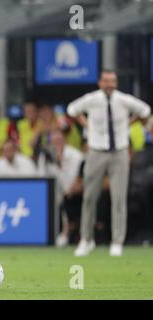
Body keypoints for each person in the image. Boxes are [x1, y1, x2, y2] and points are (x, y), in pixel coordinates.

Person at [67, 70, 151, 257]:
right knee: (89, 197)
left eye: (113, 81)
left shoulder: (124, 100)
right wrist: (86, 123)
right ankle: (86, 240)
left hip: (119, 152)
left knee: (119, 198)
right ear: (99, 82)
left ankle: (117, 241)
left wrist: (130, 122)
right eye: (106, 81)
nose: (110, 84)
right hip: (96, 151)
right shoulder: (91, 99)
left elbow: (144, 110)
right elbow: (72, 109)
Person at [45, 129, 84, 247]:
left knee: (68, 200)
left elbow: (79, 180)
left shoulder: (76, 156)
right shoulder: (47, 158)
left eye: (59, 140)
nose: (57, 144)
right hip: (60, 195)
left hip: (78, 193)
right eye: (54, 141)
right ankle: (62, 233)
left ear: (64, 140)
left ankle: (75, 234)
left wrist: (69, 191)